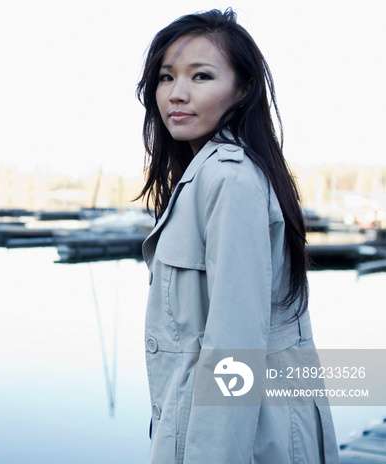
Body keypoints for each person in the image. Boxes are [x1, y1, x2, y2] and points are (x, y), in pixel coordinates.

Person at [136, 9, 339, 463]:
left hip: (248, 434)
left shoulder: (231, 179)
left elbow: (235, 345)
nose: (177, 94)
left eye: (201, 76)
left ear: (243, 89)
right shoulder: (211, 173)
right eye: (166, 77)